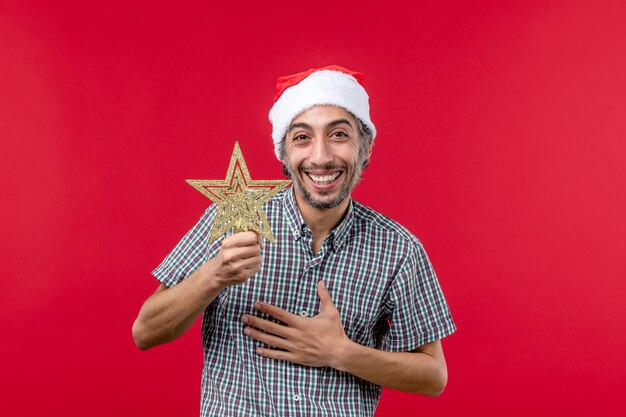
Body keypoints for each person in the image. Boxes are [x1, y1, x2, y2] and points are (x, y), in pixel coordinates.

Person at [132, 65, 456, 417]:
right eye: (302, 137)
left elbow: (433, 376)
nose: (320, 157)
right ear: (283, 154)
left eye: (339, 135)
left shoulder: (399, 250)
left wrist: (341, 353)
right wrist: (215, 275)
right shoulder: (231, 221)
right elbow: (145, 332)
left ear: (365, 149)